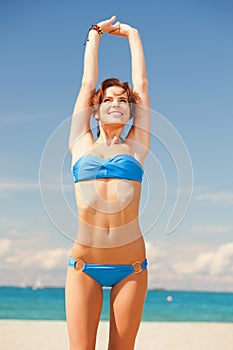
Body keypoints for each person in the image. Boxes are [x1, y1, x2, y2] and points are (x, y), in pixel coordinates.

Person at [65, 15, 150, 350]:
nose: (118, 103)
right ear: (96, 110)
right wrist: (95, 33)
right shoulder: (80, 144)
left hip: (131, 267)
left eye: (123, 100)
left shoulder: (137, 146)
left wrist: (133, 33)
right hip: (84, 266)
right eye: (109, 99)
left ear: (130, 111)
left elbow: (141, 87)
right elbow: (87, 84)